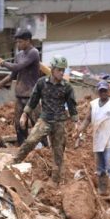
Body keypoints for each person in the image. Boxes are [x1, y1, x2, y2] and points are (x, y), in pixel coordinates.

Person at [15, 55, 78, 183]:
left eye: (63, 70)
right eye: (59, 70)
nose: (62, 72)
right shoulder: (41, 83)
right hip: (45, 120)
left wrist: (76, 123)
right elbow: (33, 100)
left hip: (59, 122)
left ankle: (56, 181)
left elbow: (72, 106)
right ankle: (13, 164)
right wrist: (24, 114)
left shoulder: (67, 87)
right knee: (30, 141)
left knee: (58, 152)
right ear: (53, 69)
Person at [0, 29, 42, 145]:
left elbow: (17, 67)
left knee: (37, 125)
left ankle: (44, 148)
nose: (18, 44)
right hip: (20, 96)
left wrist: (2, 62)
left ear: (28, 41)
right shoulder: (19, 55)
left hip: (31, 96)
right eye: (17, 42)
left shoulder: (33, 53)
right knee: (19, 125)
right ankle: (22, 148)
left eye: (20, 42)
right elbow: (13, 75)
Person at [77, 81, 110, 200]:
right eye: (101, 91)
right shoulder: (94, 104)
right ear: (98, 91)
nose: (103, 93)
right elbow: (87, 119)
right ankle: (102, 189)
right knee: (100, 167)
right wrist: (79, 130)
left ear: (108, 91)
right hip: (98, 140)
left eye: (105, 90)